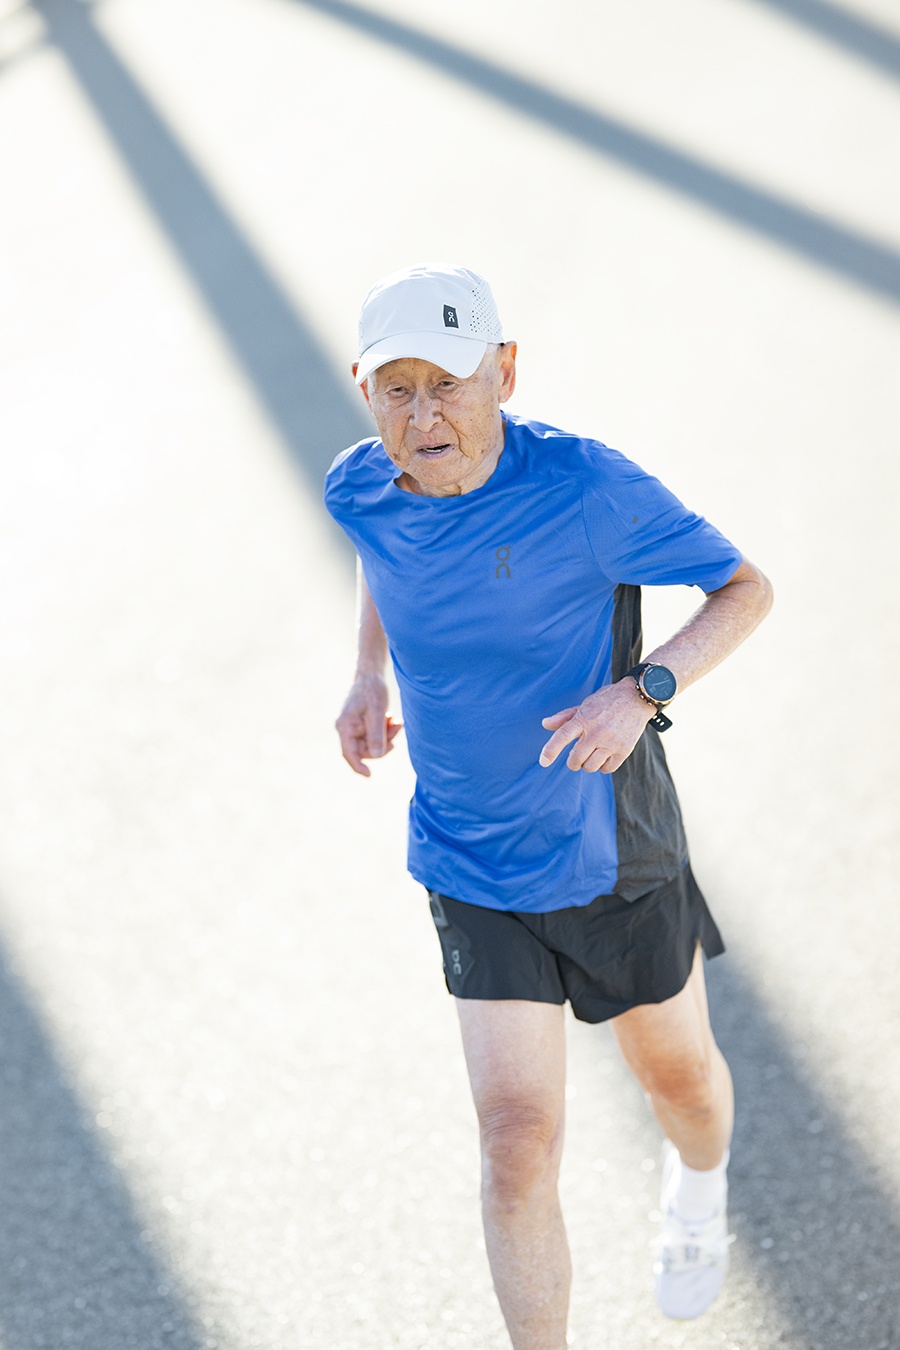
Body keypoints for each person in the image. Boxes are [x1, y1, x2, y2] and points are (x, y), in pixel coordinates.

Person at [324, 263, 773, 1349]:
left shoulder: (586, 489)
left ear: (505, 373)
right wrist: (366, 674)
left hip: (610, 850)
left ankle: (702, 1187)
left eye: (451, 383)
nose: (426, 414)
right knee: (516, 1141)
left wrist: (644, 689)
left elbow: (744, 589)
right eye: (399, 389)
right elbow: (382, 562)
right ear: (366, 391)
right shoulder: (360, 483)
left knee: (678, 1084)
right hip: (469, 858)